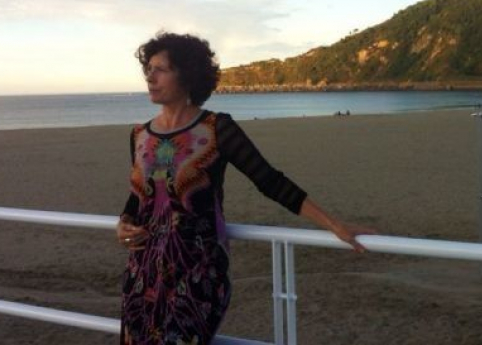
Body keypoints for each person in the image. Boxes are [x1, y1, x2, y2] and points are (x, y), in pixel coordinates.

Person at [117, 31, 373, 345]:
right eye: (149, 69)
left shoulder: (217, 129)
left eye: (161, 69)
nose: (150, 77)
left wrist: (334, 225)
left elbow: (270, 181)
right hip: (143, 273)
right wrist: (123, 223)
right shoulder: (139, 135)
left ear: (187, 76)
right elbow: (140, 195)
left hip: (197, 273)